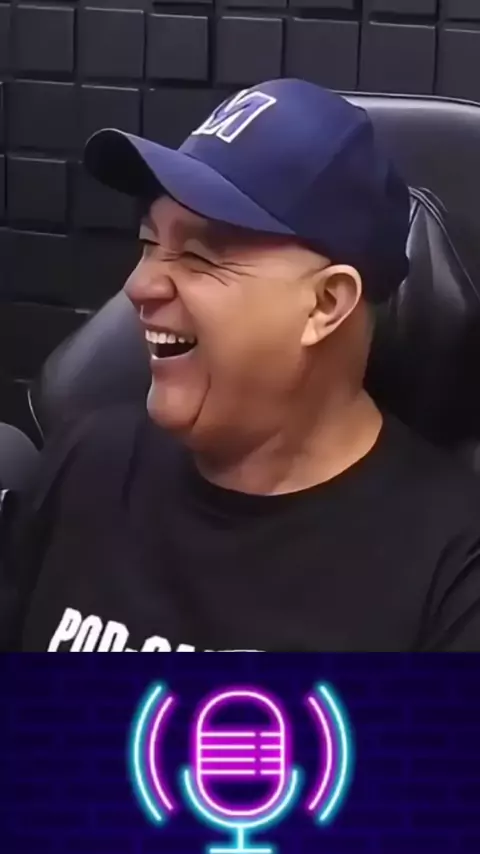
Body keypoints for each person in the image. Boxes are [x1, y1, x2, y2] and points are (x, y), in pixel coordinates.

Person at [2, 78, 480, 652]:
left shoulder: (452, 571)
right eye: (149, 243)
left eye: (198, 255)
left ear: (325, 305)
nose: (139, 285)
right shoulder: (85, 465)